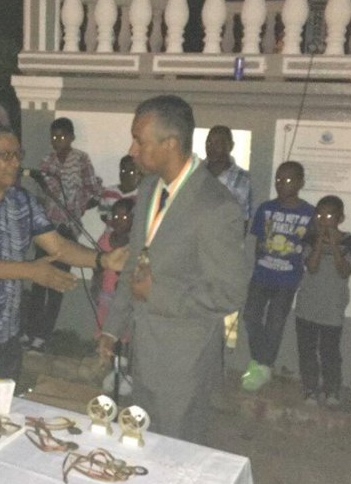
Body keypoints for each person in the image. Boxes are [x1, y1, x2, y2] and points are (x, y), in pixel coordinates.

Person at [96, 95, 247, 444]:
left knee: (176, 453)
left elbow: (229, 293)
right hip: (144, 351)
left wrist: (157, 293)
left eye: (140, 140)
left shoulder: (215, 206)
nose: (132, 150)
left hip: (184, 364)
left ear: (171, 144)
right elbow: (134, 263)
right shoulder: (150, 189)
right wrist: (113, 329)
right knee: (142, 444)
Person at [0, 124, 127, 387]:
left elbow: (57, 245)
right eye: (6, 156)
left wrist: (102, 260)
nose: (15, 163)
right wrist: (32, 271)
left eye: (18, 155)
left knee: (0, 413)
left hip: (8, 332)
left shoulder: (21, 200)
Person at [22, 117, 103, 351]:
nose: (58, 141)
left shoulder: (81, 160)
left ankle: (43, 336)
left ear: (71, 137)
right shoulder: (46, 161)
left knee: (57, 283)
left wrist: (80, 206)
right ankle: (30, 331)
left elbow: (93, 187)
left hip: (68, 229)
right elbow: (41, 193)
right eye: (54, 137)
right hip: (47, 229)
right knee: (39, 280)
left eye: (62, 136)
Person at [240, 161, 314, 393]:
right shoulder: (266, 208)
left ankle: (263, 365)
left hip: (287, 279)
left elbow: (310, 246)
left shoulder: (309, 213)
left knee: (275, 320)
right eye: (279, 180)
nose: (282, 184)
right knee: (251, 315)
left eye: (289, 180)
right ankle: (260, 361)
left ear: (301, 183)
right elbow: (259, 242)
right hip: (262, 274)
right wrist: (257, 266)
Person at [294, 195, 351, 406]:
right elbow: (311, 267)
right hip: (308, 304)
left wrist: (333, 242)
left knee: (329, 350)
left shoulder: (350, 241)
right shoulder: (309, 238)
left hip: (332, 306)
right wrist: (320, 243)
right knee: (307, 350)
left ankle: (332, 390)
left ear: (340, 218)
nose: (323, 219)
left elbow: (344, 271)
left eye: (329, 215)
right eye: (319, 214)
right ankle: (310, 389)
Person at [92, 197, 134, 336]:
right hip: (106, 293)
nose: (119, 220)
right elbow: (96, 266)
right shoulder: (106, 239)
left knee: (125, 331)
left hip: (127, 296)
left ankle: (122, 355)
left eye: (124, 216)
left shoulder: (135, 243)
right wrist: (96, 286)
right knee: (103, 327)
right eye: (116, 216)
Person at [205, 124, 252, 236]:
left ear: (230, 146)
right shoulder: (195, 172)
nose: (212, 148)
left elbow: (243, 219)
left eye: (218, 143)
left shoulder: (242, 179)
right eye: (209, 142)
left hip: (224, 243)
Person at [97, 155, 142, 223]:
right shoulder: (108, 192)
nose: (126, 175)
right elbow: (103, 215)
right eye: (123, 170)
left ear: (139, 174)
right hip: (112, 231)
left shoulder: (141, 195)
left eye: (131, 172)